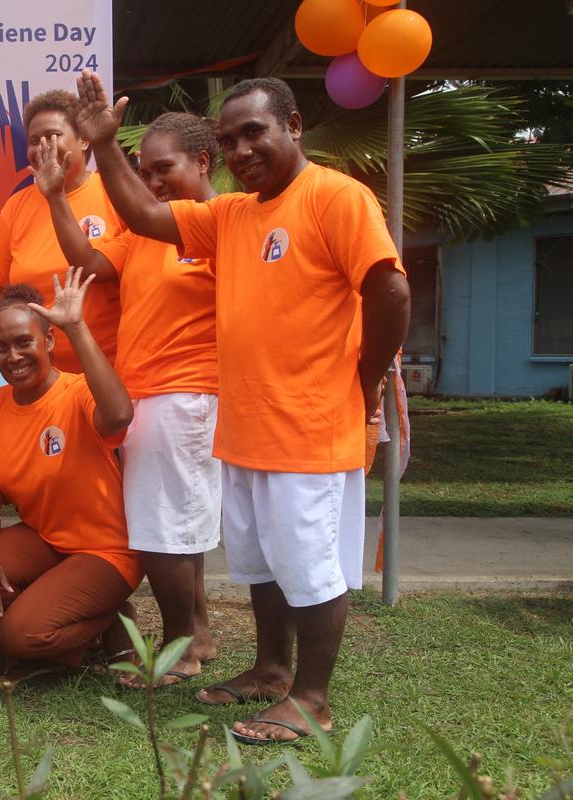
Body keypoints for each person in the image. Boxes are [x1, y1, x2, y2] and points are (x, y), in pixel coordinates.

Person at [75, 70, 410, 742]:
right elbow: (144, 216)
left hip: (310, 423)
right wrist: (105, 147)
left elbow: (392, 294)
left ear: (294, 126)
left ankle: (311, 699)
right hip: (246, 424)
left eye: (254, 132)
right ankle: (270, 672)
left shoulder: (335, 198)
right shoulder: (231, 214)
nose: (241, 149)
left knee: (310, 566)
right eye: (229, 140)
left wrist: (363, 378)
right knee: (260, 564)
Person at [34, 112, 223, 687]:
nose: (152, 180)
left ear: (203, 163)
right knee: (176, 528)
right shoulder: (147, 232)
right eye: (144, 171)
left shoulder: (220, 224)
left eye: (163, 168)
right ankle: (199, 635)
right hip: (148, 396)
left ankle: (179, 652)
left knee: (162, 536)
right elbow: (87, 263)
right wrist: (55, 200)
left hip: (186, 393)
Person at [0, 270, 140, 673]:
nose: (13, 357)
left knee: (18, 637)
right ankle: (60, 623)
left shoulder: (78, 391)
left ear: (50, 341)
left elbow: (120, 414)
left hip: (106, 550)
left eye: (24, 342)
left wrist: (76, 326)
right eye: (2, 348)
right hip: (47, 541)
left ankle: (106, 620)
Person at [0, 90, 125, 374]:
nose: (43, 146)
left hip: (110, 372)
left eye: (54, 135)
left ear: (83, 139)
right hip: (36, 379)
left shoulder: (114, 193)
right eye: (33, 141)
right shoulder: (16, 205)